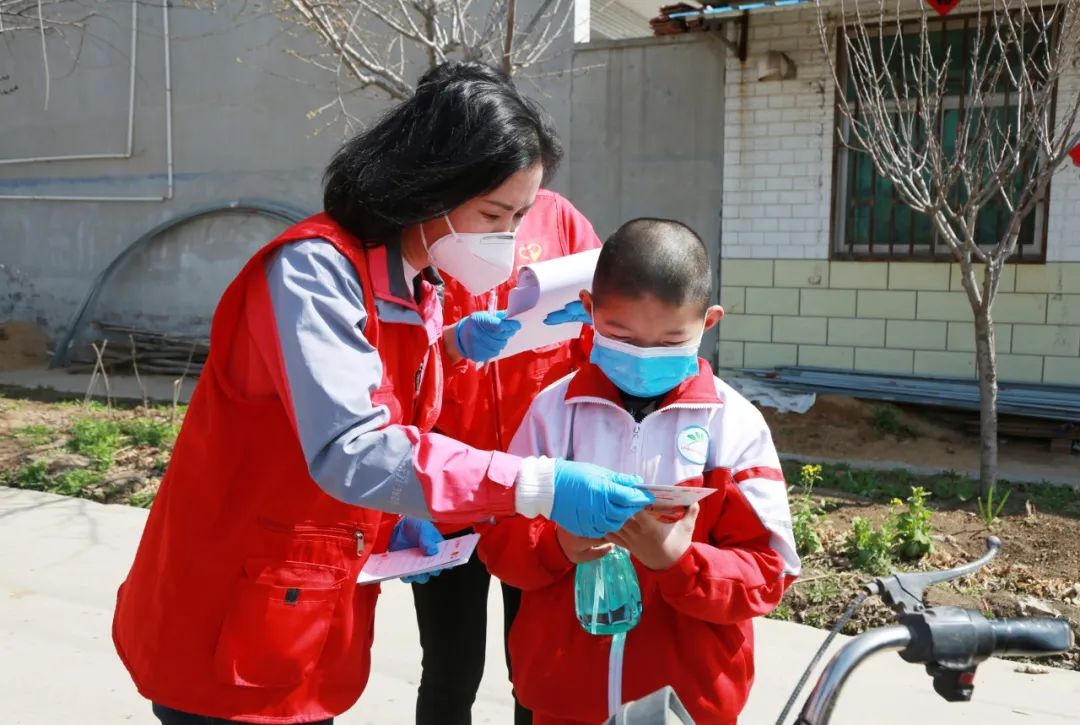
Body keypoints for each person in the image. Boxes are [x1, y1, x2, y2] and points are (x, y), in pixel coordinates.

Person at [111, 61, 652, 725]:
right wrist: (538, 483)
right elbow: (354, 448)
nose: (507, 241)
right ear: (428, 186)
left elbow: (397, 428)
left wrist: (398, 518)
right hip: (230, 611)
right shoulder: (313, 273)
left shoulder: (418, 287)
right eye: (493, 215)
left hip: (300, 615)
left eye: (518, 218)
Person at [476, 218, 802, 725]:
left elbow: (768, 572)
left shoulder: (732, 426)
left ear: (708, 322)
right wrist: (558, 546)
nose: (644, 356)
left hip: (686, 704)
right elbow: (498, 541)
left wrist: (680, 563)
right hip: (564, 697)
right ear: (589, 310)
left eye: (670, 341)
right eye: (621, 335)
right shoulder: (552, 413)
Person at [411, 187, 600, 725]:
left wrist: (601, 321)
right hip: (448, 494)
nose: (507, 220)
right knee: (450, 670)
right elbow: (393, 362)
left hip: (538, 493)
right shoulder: (428, 221)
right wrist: (449, 344)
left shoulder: (559, 218)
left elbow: (601, 340)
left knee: (535, 669)